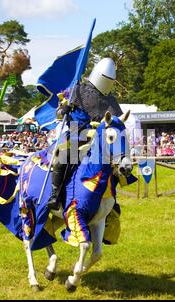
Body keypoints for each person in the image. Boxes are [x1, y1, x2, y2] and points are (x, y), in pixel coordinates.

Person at [47, 57, 123, 210]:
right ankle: (55, 195)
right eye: (105, 78)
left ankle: (109, 199)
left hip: (100, 138)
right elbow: (58, 113)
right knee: (64, 158)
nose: (107, 81)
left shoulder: (111, 100)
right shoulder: (78, 90)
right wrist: (64, 110)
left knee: (115, 163)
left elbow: (116, 121)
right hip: (78, 134)